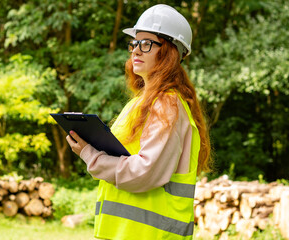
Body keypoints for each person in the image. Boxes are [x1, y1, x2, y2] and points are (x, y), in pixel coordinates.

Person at [66, 4, 211, 240]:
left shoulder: (167, 104)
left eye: (146, 44)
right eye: (134, 44)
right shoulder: (141, 102)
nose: (136, 51)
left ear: (171, 52)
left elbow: (145, 172)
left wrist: (90, 155)